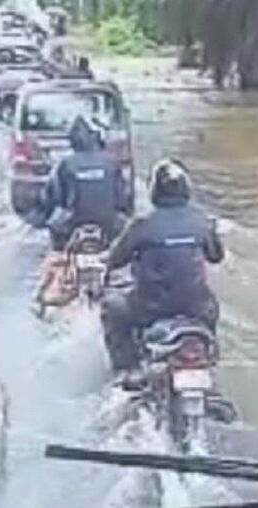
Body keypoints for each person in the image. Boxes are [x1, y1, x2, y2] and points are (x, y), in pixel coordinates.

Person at [101, 158, 225, 373]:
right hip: (196, 309)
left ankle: (126, 370)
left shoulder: (143, 224)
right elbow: (216, 256)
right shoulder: (202, 221)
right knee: (212, 307)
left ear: (154, 191)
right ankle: (209, 357)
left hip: (150, 308)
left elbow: (116, 259)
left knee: (112, 308)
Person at [39, 115, 129, 252]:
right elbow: (123, 199)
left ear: (72, 141)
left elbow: (52, 197)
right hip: (110, 224)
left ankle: (59, 261)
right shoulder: (112, 162)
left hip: (71, 223)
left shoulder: (65, 164)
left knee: (56, 246)